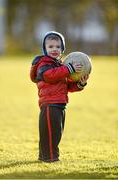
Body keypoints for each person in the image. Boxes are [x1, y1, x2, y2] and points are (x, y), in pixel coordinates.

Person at [30, 31, 89, 163]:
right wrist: (69, 69)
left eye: (58, 47)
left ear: (62, 49)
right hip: (49, 103)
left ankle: (44, 157)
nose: (54, 49)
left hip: (60, 103)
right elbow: (49, 76)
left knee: (55, 132)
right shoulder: (44, 63)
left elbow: (67, 87)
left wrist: (80, 83)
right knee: (51, 133)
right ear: (45, 49)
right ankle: (51, 158)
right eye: (50, 47)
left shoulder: (60, 65)